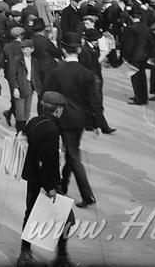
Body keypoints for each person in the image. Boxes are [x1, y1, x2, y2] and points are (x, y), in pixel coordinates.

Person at [17, 91, 77, 267]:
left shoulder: (35, 121)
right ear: (57, 110)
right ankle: (61, 257)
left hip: (32, 178)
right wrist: (51, 187)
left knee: (30, 215)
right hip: (45, 181)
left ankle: (25, 254)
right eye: (62, 108)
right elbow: (47, 160)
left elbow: (23, 139)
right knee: (66, 218)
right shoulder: (52, 130)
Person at [44, 33, 100, 209]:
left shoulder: (57, 72)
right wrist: (96, 123)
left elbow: (47, 96)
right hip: (80, 119)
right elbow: (94, 101)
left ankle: (87, 194)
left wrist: (44, 118)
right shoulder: (88, 74)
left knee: (72, 156)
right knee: (70, 153)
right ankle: (63, 185)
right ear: (79, 49)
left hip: (61, 117)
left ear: (62, 49)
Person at [121, 10, 150, 105]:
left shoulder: (132, 28)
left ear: (131, 17)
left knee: (135, 78)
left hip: (134, 56)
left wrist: (125, 56)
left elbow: (129, 44)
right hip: (143, 55)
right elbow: (150, 41)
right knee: (142, 77)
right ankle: (144, 97)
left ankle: (138, 98)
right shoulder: (145, 27)